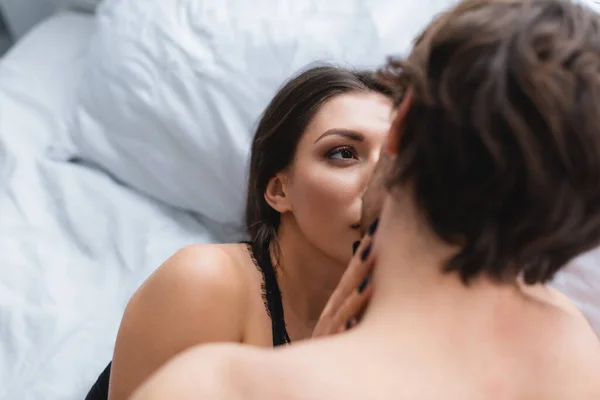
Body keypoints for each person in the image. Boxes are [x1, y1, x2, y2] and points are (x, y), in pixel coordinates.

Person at [129, 0, 600, 398]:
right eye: (342, 152)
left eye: (377, 145)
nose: (373, 170)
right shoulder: (574, 349)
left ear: (403, 124)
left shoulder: (212, 384)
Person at [84, 65, 394, 400]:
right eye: (343, 154)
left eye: (398, 159)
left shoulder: (403, 313)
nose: (382, 183)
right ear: (279, 190)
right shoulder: (202, 283)